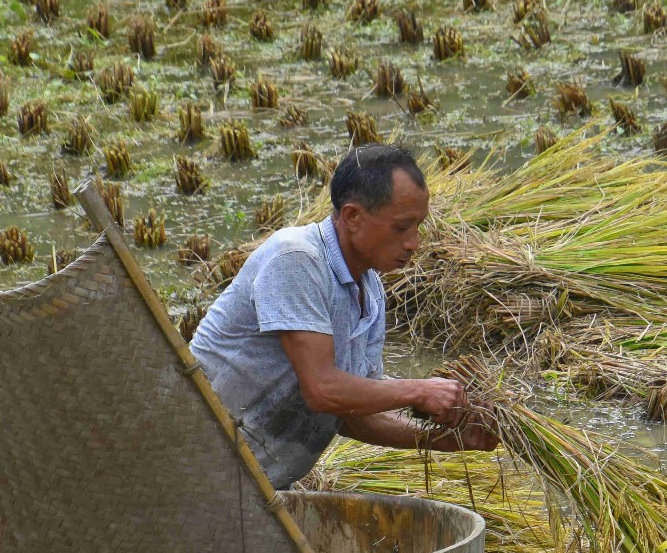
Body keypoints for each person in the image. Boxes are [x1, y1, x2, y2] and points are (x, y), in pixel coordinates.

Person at [190, 144, 497, 490]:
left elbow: (354, 415)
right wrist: (419, 390)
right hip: (194, 460)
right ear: (352, 217)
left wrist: (446, 440)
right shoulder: (295, 259)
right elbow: (322, 390)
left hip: (255, 487)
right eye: (401, 228)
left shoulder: (371, 292)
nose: (414, 243)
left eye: (418, 227)